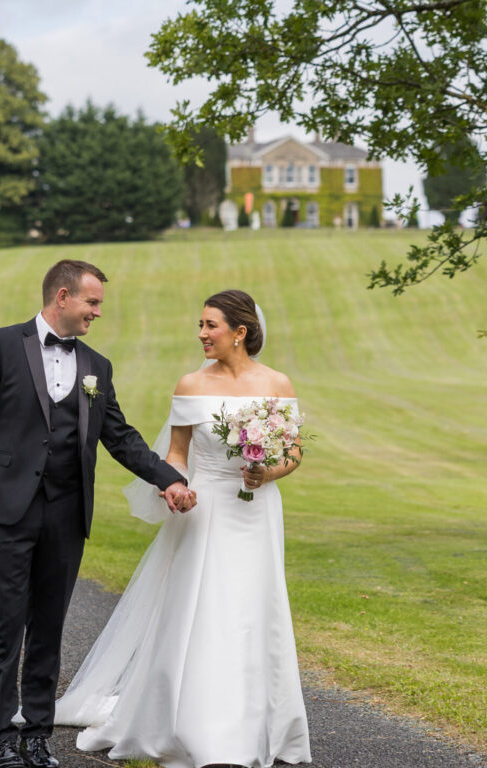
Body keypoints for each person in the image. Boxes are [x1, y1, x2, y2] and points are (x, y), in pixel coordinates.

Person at [0, 259, 197, 768]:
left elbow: (120, 437)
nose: (97, 312)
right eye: (92, 302)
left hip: (66, 515)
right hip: (4, 512)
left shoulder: (96, 366)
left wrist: (168, 477)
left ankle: (37, 735)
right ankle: (0, 737)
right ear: (62, 297)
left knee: (48, 627)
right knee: (4, 624)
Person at [55, 289, 312, 768]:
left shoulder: (277, 382)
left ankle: (260, 723)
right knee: (205, 608)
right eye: (200, 324)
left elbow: (293, 452)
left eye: (210, 325)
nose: (201, 334)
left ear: (240, 331)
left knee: (255, 609)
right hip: (205, 508)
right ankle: (191, 724)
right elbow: (176, 453)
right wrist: (173, 485)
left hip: (257, 511)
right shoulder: (192, 384)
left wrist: (268, 472)